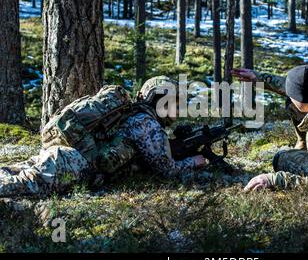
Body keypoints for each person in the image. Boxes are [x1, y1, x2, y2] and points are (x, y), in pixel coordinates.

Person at [0, 76, 207, 198]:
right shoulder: (147, 124)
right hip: (74, 164)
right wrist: (193, 162)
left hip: (66, 156)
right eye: (173, 103)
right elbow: (165, 169)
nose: (177, 110)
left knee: (11, 172)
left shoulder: (135, 117)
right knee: (19, 186)